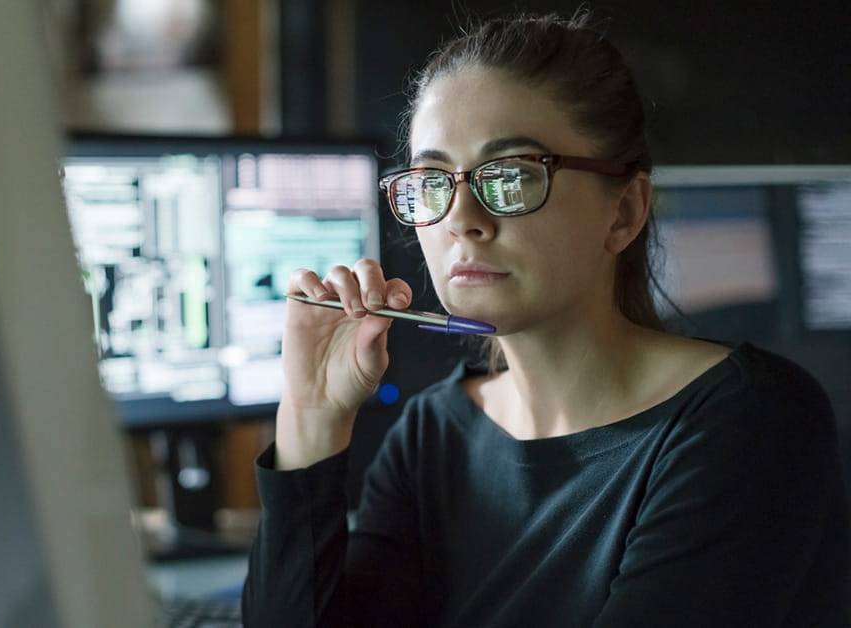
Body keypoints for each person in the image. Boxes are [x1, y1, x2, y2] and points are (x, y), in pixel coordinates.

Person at [241, 11, 849, 628]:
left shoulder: (750, 421)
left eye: (509, 176)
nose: (462, 220)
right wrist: (311, 415)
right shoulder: (433, 434)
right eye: (431, 181)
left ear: (625, 211)